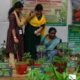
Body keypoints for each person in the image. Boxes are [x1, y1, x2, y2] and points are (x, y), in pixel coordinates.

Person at [6, 1, 24, 67]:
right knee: (12, 49)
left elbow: (21, 23)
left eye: (21, 9)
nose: (21, 10)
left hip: (19, 33)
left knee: (17, 48)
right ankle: (12, 65)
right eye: (20, 9)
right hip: (13, 34)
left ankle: (15, 63)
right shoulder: (12, 15)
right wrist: (14, 37)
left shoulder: (18, 13)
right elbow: (12, 28)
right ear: (16, 8)